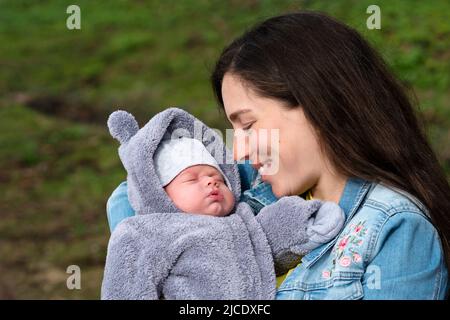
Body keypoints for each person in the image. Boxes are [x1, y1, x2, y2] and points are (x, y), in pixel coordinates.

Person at [108, 11, 449, 299]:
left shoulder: (396, 230)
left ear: (317, 106)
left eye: (248, 124)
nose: (238, 149)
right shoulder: (256, 187)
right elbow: (133, 194)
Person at [101, 108, 344, 299]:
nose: (211, 183)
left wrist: (308, 221)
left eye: (218, 178)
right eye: (192, 179)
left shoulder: (243, 216)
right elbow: (126, 283)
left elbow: (268, 240)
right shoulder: (147, 232)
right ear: (160, 194)